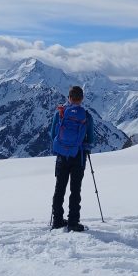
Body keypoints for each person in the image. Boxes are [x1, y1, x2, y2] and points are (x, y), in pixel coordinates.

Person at [51, 86, 94, 232]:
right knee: (75, 190)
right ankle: (73, 222)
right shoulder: (86, 116)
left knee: (59, 189)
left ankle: (57, 220)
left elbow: (52, 135)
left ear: (69, 98)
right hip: (78, 156)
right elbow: (91, 138)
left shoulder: (60, 114)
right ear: (82, 99)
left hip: (62, 156)